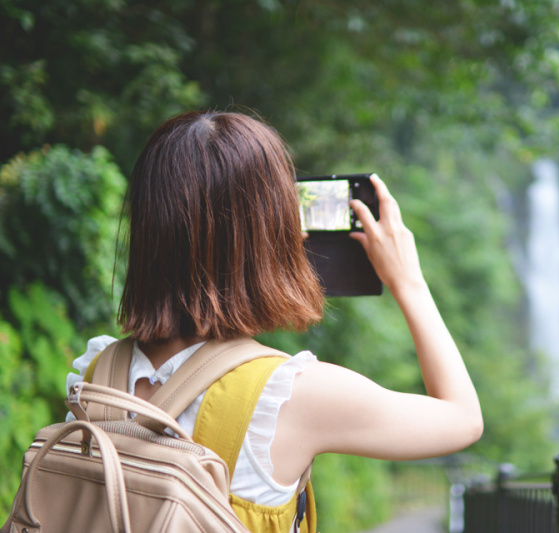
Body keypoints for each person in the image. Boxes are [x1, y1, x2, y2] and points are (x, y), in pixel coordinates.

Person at [65, 111, 483, 529]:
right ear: (270, 235)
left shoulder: (97, 376)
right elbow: (463, 420)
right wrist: (408, 281)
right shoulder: (288, 396)